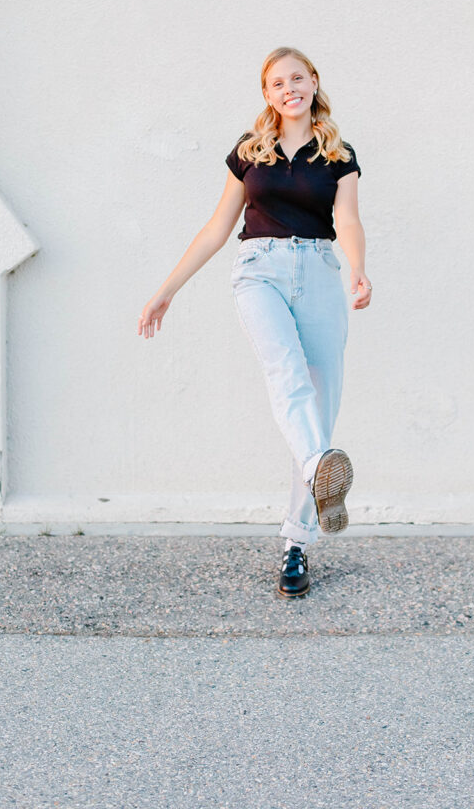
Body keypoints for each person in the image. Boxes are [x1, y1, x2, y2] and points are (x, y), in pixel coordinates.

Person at [138, 46, 372, 599]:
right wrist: (166, 291)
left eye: (297, 78)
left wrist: (358, 271)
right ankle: (321, 468)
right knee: (285, 373)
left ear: (313, 82)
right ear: (267, 94)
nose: (288, 88)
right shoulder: (250, 152)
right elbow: (218, 227)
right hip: (258, 270)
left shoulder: (339, 154)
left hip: (318, 271)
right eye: (276, 83)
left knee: (317, 405)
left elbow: (348, 217)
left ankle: (296, 543)